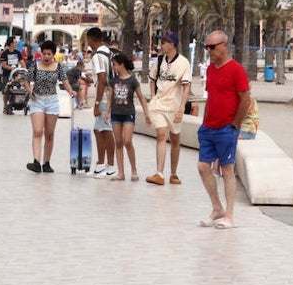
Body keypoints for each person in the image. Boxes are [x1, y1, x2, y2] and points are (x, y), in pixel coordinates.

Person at [197, 30, 250, 230]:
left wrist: (235, 125)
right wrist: (204, 122)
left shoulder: (236, 70)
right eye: (206, 47)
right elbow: (210, 98)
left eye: (212, 46)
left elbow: (245, 98)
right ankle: (216, 208)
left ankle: (229, 215)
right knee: (203, 167)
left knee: (227, 169)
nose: (209, 51)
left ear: (224, 45)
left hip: (226, 128)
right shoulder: (210, 69)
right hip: (208, 127)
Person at [145, 30, 191, 186]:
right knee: (161, 135)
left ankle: (173, 173)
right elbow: (152, 79)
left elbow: (186, 87)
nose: (161, 45)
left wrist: (181, 109)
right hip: (158, 105)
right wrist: (153, 98)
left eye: (163, 42)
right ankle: (159, 173)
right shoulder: (159, 61)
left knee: (175, 138)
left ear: (172, 45)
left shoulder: (184, 63)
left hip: (174, 107)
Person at [25, 40, 73, 173]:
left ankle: (46, 162)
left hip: (52, 101)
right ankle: (36, 161)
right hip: (37, 99)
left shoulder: (58, 67)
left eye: (49, 54)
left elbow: (65, 81)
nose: (46, 56)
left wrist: (71, 91)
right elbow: (26, 81)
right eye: (44, 53)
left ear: (53, 55)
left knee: (49, 134)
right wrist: (30, 91)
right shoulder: (35, 65)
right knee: (37, 131)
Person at [105, 51, 149, 182]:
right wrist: (106, 112)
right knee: (118, 142)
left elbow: (141, 98)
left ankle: (134, 170)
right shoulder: (113, 81)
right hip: (116, 114)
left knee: (127, 141)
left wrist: (147, 113)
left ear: (121, 65)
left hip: (128, 113)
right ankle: (121, 173)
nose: (113, 67)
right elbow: (109, 98)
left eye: (114, 64)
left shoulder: (132, 80)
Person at [86, 27, 116, 177]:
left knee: (105, 130)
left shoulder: (98, 56)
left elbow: (103, 80)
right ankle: (101, 164)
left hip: (105, 98)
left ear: (91, 39)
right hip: (111, 95)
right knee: (99, 130)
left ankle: (110, 166)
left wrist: (97, 104)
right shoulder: (108, 52)